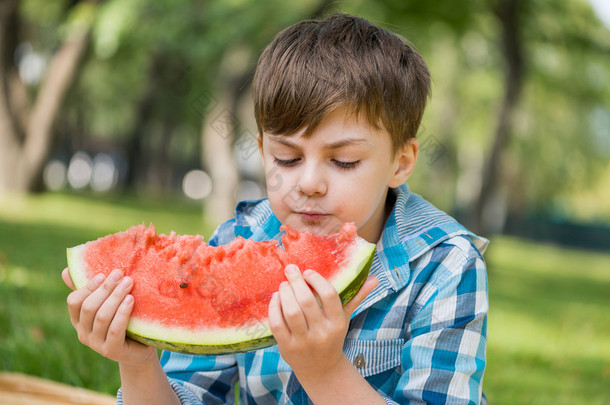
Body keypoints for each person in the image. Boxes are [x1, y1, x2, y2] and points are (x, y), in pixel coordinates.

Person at [63, 13, 489, 404]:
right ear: (263, 150)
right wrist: (137, 363)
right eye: (286, 158)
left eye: (343, 161)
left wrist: (322, 370)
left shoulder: (447, 266)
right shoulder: (240, 236)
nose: (308, 183)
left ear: (401, 161)